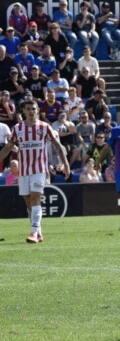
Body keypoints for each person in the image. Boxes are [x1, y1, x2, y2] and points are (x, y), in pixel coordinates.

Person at [0, 98, 68, 242]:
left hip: (40, 169)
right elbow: (7, 148)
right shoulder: (17, 129)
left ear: (38, 110)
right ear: (24, 111)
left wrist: (66, 164)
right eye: (28, 109)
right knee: (28, 202)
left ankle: (33, 233)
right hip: (23, 171)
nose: (31, 112)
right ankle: (39, 232)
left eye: (34, 109)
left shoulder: (45, 127)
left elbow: (57, 146)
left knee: (35, 197)